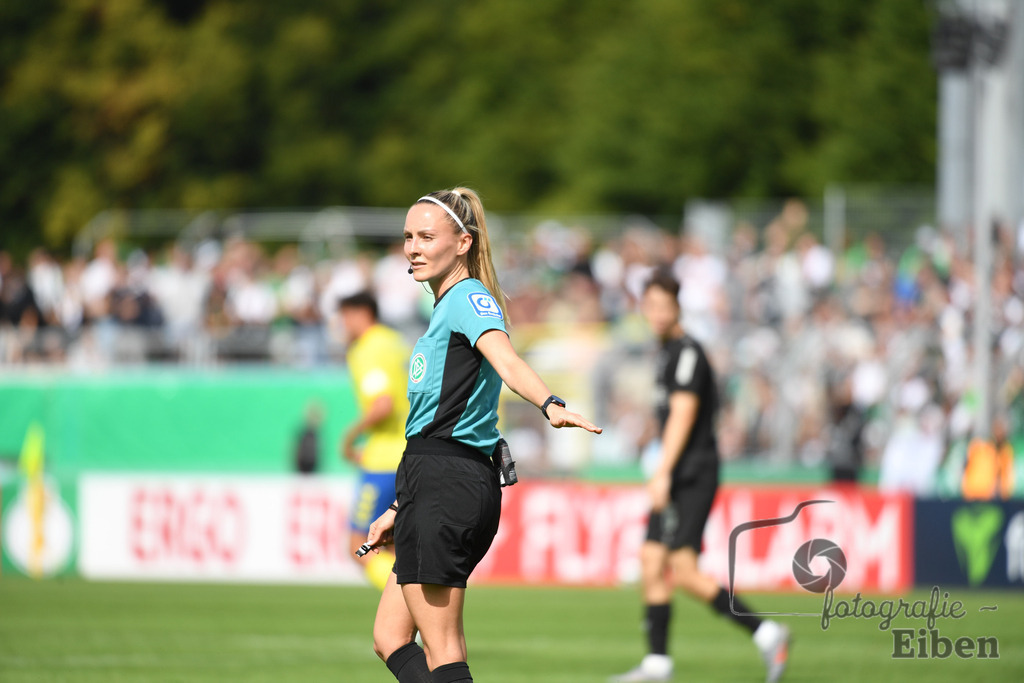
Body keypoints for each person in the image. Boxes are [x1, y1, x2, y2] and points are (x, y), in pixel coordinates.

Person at [364, 188, 602, 683]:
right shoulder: (447, 304)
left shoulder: (468, 298)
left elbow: (507, 360)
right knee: (389, 636)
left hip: (448, 484)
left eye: (427, 236)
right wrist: (396, 508)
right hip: (431, 480)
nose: (413, 247)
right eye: (408, 236)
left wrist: (549, 403)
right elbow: (437, 424)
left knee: (444, 648)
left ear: (463, 242)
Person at [611, 270, 790, 683]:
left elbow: (683, 414)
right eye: (649, 306)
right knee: (652, 561)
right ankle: (657, 664)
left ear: (677, 307)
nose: (655, 314)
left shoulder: (687, 352)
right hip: (676, 472)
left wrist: (663, 472)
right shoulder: (667, 352)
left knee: (684, 570)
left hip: (691, 473)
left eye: (663, 306)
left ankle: (766, 632)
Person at [338, 291, 411, 591]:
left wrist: (348, 439)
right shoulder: (397, 343)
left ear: (359, 314)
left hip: (383, 463)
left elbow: (382, 405)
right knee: (396, 548)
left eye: (343, 317)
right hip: (413, 456)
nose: (342, 325)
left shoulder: (367, 349)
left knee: (359, 544)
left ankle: (405, 601)